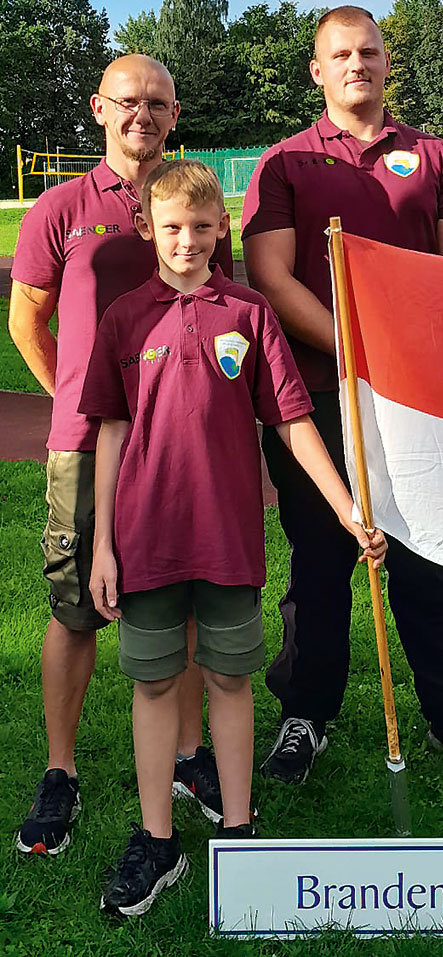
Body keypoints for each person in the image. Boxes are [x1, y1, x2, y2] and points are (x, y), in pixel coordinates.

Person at [79, 160, 387, 917]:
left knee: (229, 678)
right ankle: (158, 841)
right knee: (154, 682)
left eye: (203, 227)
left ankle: (242, 830)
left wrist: (347, 507)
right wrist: (103, 547)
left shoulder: (249, 314)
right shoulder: (125, 319)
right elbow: (111, 430)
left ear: (225, 231)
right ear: (147, 229)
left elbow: (290, 418)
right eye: (173, 227)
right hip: (146, 540)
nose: (188, 240)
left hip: (227, 540)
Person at [241, 5, 443, 786]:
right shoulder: (284, 162)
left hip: (420, 399)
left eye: (370, 51)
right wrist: (358, 351)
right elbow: (271, 277)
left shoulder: (438, 158)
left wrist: (405, 358)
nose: (357, 63)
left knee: (426, 559)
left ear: (390, 64)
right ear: (317, 71)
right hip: (317, 395)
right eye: (340, 54)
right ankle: (305, 714)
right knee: (320, 560)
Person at [9, 55, 236, 856]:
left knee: (175, 602)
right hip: (86, 443)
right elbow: (26, 322)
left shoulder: (198, 204)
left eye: (159, 103)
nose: (143, 113)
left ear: (175, 114)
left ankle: (184, 757)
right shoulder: (60, 207)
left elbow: (224, 314)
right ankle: (61, 771)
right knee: (75, 609)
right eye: (128, 101)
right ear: (101, 108)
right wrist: (79, 393)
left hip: (184, 449)